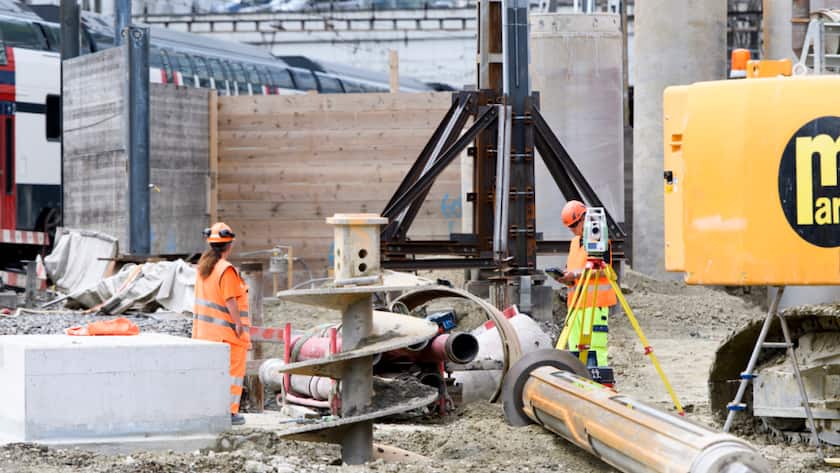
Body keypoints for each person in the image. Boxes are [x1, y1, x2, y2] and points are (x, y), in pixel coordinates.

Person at [193, 222, 251, 426]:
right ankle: (229, 412)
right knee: (233, 375)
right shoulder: (225, 270)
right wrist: (239, 325)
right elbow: (230, 300)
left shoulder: (203, 268)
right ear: (230, 245)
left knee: (211, 375)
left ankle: (210, 410)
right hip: (227, 333)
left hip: (205, 333)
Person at [553, 200, 616, 368]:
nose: (573, 230)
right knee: (575, 349)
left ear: (585, 219)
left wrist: (576, 274)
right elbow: (574, 269)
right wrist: (566, 277)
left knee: (595, 349)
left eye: (575, 224)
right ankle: (579, 384)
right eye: (570, 227)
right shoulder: (574, 243)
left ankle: (600, 385)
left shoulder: (600, 239)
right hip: (575, 305)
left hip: (595, 305)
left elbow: (605, 270)